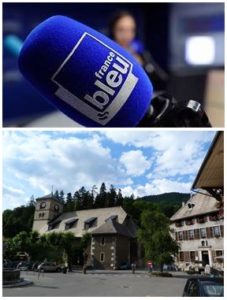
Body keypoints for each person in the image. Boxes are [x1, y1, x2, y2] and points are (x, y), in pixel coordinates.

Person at [108, 10, 169, 89]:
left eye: (131, 30)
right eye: (121, 30)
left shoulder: (141, 53)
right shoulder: (108, 55)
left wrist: (145, 65)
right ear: (112, 31)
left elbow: (162, 79)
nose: (127, 35)